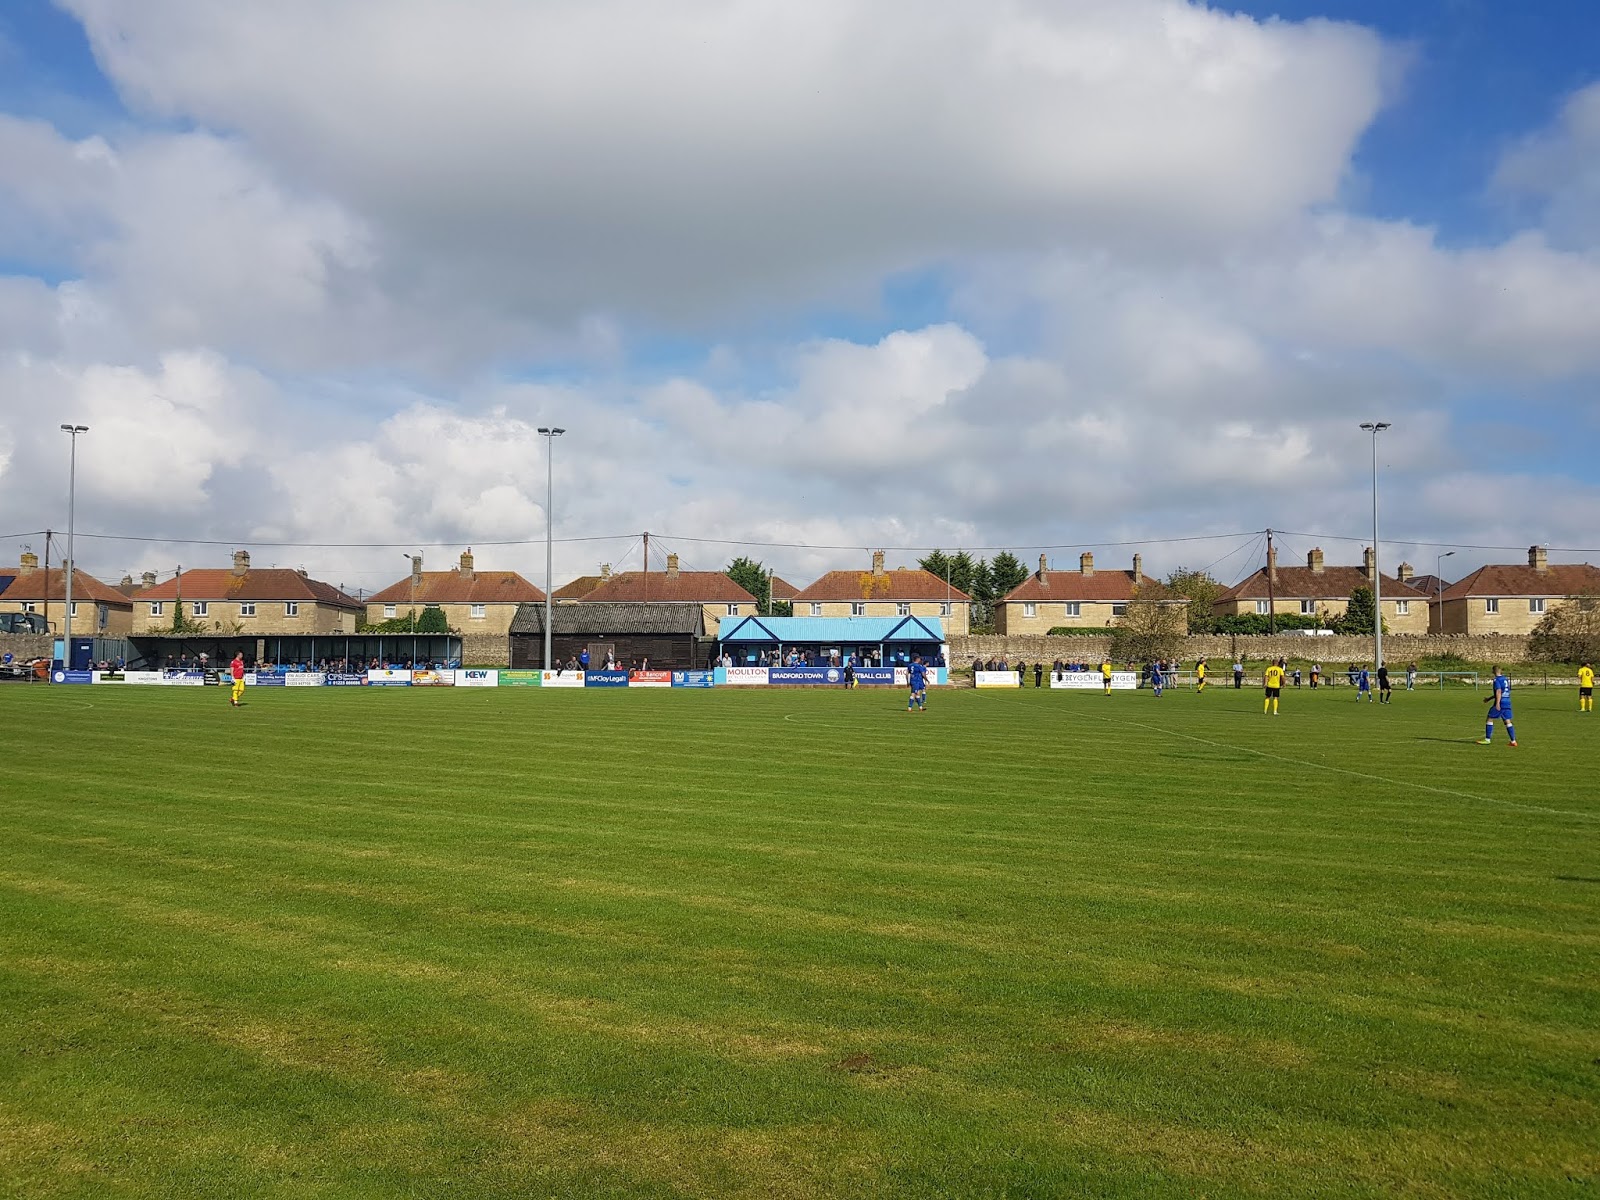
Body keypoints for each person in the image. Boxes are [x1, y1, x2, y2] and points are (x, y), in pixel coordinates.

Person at [1480, 665, 1517, 746]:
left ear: (1493, 671)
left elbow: (1499, 692)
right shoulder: (1505, 679)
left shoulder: (1496, 680)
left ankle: (1487, 739)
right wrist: (1489, 698)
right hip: (1507, 702)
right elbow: (1504, 691)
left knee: (1489, 718)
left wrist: (1497, 703)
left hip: (1501, 702)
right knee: (1507, 721)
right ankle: (1513, 741)